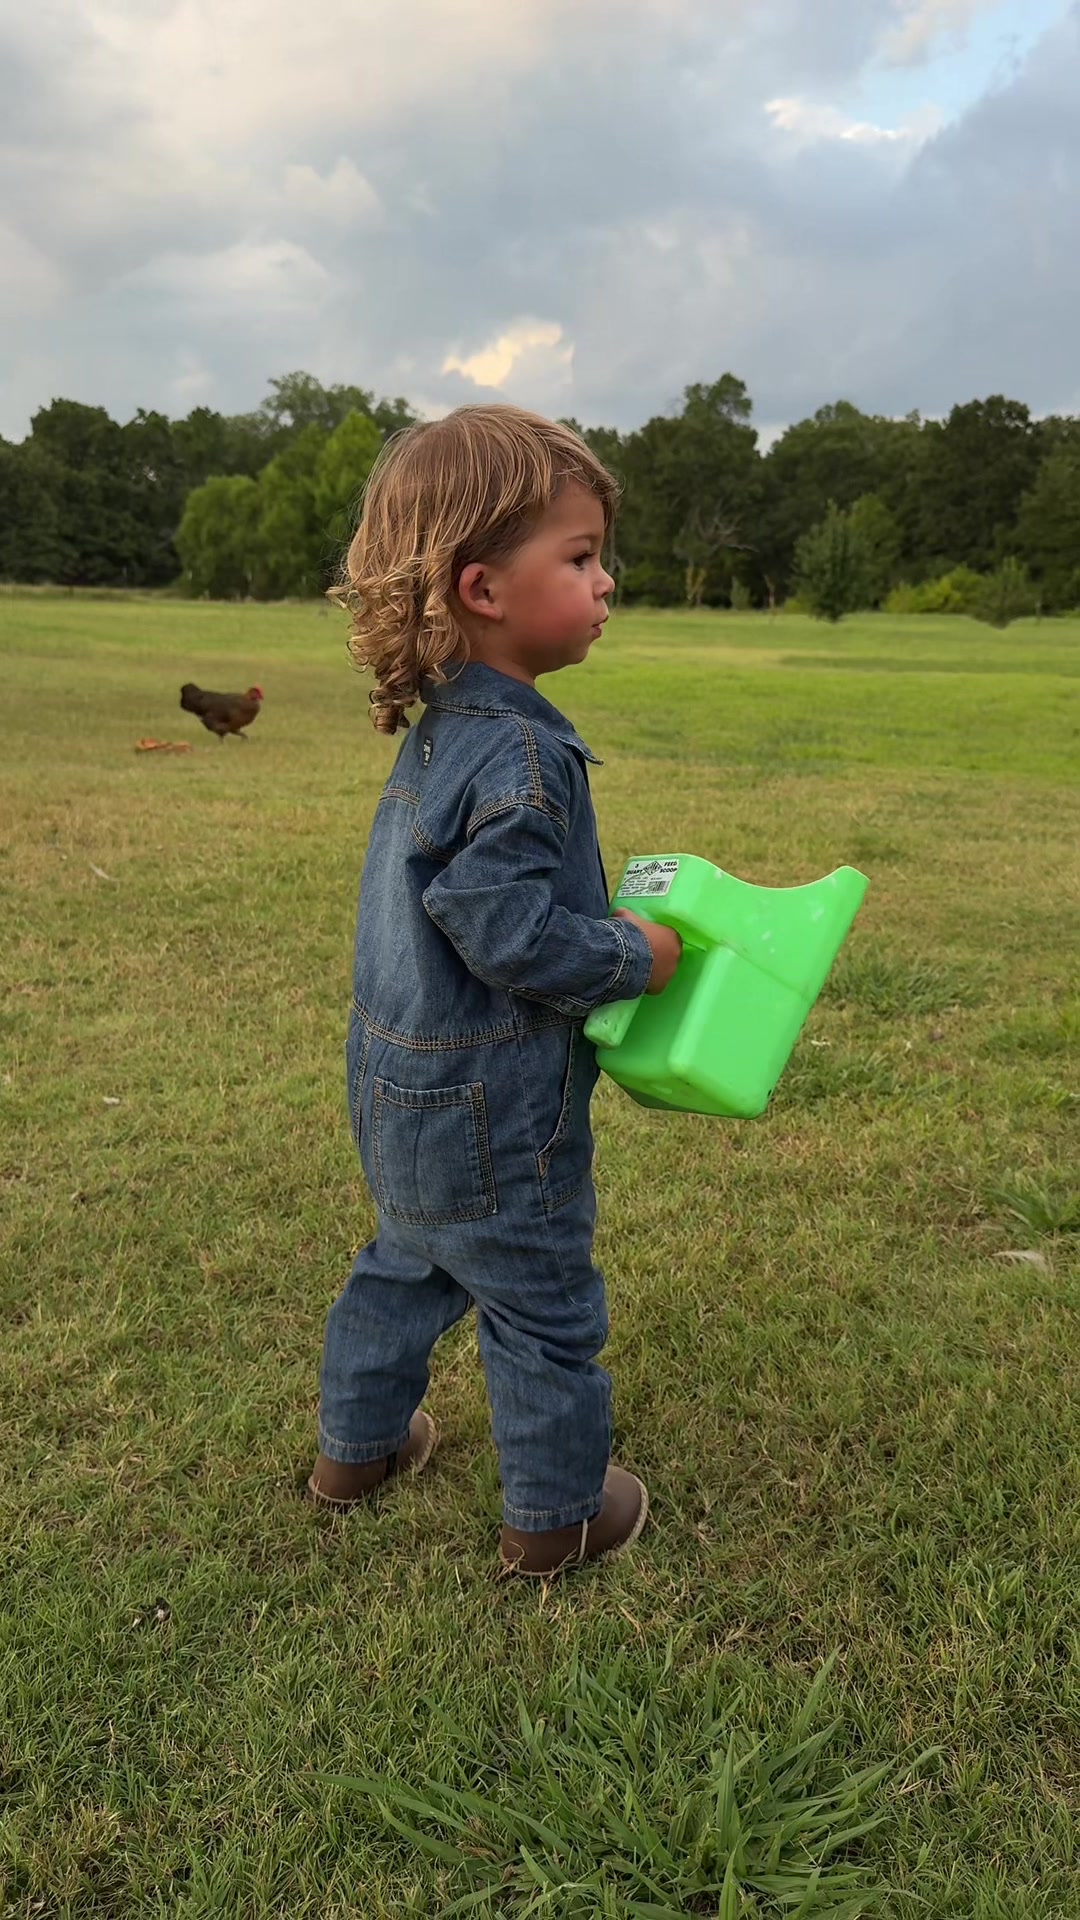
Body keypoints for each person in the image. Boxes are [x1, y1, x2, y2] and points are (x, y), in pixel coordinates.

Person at [307, 405, 681, 1577]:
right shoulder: (522, 752)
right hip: (491, 1104)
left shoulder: (442, 732)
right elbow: (501, 925)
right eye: (579, 558)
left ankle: (354, 1456)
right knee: (541, 1308)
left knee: (405, 1264)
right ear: (482, 587)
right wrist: (631, 955)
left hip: (396, 1086)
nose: (606, 581)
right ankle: (559, 1518)